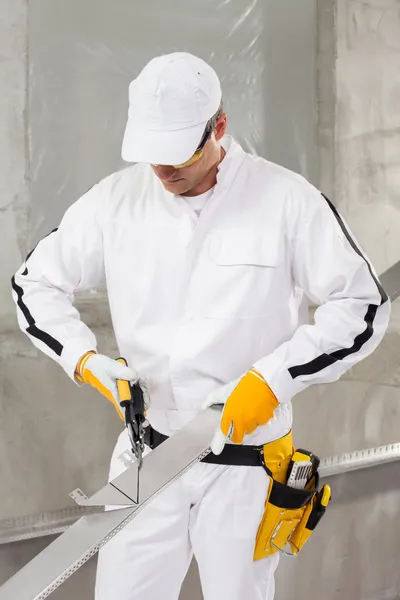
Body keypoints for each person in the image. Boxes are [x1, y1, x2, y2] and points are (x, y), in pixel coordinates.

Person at [11, 52, 390, 600]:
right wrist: (85, 359)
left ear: (220, 126)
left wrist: (274, 379)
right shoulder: (116, 203)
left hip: (248, 464)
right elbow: (34, 283)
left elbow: (361, 304)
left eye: (178, 153)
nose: (163, 171)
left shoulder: (286, 201)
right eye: (152, 155)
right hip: (146, 456)